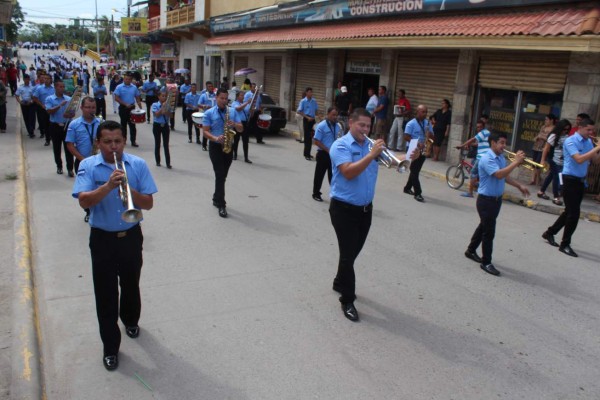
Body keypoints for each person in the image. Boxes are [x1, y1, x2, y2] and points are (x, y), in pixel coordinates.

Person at [72, 120, 157, 371]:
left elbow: (148, 204)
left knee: (131, 284)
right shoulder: (88, 166)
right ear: (98, 143)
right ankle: (110, 347)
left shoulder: (137, 165)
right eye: (107, 142)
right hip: (102, 239)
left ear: (124, 141)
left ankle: (131, 320)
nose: (113, 147)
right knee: (106, 293)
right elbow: (84, 202)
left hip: (131, 236)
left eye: (117, 141)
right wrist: (109, 185)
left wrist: (127, 187)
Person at [329, 108, 384, 322]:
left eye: (368, 126)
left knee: (351, 253)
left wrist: (407, 157)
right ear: (351, 123)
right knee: (348, 254)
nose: (365, 129)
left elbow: (389, 161)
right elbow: (348, 172)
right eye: (361, 125)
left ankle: (338, 280)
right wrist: (371, 155)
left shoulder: (370, 146)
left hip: (365, 210)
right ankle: (347, 299)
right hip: (344, 209)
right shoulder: (340, 145)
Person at [464, 132, 530, 276]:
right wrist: (516, 162)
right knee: (489, 232)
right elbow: (498, 174)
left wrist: (519, 185)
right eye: (501, 142)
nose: (503, 146)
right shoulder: (487, 158)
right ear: (492, 143)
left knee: (484, 227)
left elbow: (505, 176)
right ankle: (486, 262)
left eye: (505, 143)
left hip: (496, 200)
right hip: (486, 201)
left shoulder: (500, 157)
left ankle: (470, 250)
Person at [542, 118, 600, 257]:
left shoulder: (588, 142)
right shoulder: (570, 141)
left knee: (569, 211)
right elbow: (579, 159)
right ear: (580, 127)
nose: (591, 132)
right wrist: (597, 148)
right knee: (574, 214)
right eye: (589, 130)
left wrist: (598, 150)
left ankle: (549, 233)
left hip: (580, 181)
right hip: (569, 180)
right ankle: (565, 244)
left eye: (592, 130)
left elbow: (595, 161)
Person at [202, 88, 243, 218]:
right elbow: (205, 131)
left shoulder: (232, 112)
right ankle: (222, 204)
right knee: (220, 174)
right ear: (216, 98)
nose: (224, 101)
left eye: (226, 99)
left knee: (223, 176)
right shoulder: (209, 113)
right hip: (215, 147)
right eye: (222, 98)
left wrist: (235, 124)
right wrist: (215, 138)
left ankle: (216, 197)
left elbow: (241, 129)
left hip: (228, 147)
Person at [65, 97, 101, 222]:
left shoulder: (100, 123)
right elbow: (70, 144)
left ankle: (98, 211)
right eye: (88, 107)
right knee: (85, 190)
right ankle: (88, 211)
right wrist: (83, 159)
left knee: (99, 187)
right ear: (82, 108)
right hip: (82, 161)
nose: (91, 110)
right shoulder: (74, 124)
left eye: (93, 107)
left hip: (99, 160)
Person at [403, 105, 433, 202]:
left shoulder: (428, 123)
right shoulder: (411, 123)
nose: (425, 114)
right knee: (414, 171)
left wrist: (429, 136)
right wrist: (417, 143)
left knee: (415, 170)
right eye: (423, 112)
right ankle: (418, 193)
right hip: (413, 148)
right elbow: (406, 136)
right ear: (418, 112)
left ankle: (407, 188)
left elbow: (432, 136)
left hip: (423, 148)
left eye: (426, 112)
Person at [538, 119, 571, 205]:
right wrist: (542, 160)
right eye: (564, 129)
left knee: (551, 176)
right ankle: (556, 197)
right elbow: (546, 149)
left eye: (567, 129)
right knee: (557, 177)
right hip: (553, 159)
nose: (565, 131)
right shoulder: (554, 135)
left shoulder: (566, 136)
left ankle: (541, 191)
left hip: (562, 160)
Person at [45, 80, 73, 176]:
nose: (62, 88)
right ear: (55, 87)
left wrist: (70, 114)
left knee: (68, 148)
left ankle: (70, 168)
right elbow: (49, 111)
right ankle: (59, 166)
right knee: (57, 148)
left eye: (63, 87)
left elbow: (72, 112)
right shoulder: (50, 99)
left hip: (66, 125)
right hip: (55, 125)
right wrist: (60, 105)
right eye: (60, 87)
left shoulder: (68, 99)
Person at [312, 107, 340, 202]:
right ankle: (316, 193)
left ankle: (335, 195)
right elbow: (316, 141)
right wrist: (328, 150)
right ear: (328, 114)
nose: (335, 117)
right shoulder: (322, 125)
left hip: (333, 155)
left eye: (336, 115)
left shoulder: (338, 126)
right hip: (323, 154)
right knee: (319, 175)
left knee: (333, 176)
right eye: (333, 115)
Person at [458, 119, 490, 198]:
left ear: (483, 127)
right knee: (480, 172)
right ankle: (478, 186)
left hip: (481, 157)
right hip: (487, 156)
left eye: (480, 127)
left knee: (473, 173)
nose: (478, 129)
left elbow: (472, 139)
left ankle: (470, 193)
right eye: (477, 127)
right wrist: (470, 145)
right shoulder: (487, 133)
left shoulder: (482, 133)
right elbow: (478, 143)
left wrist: (462, 146)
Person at [114, 72, 142, 147]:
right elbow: (116, 98)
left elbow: (137, 97)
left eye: (129, 79)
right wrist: (125, 104)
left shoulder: (134, 87)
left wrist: (140, 107)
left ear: (131, 80)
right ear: (124, 79)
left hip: (132, 108)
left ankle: (133, 141)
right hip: (123, 108)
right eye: (126, 79)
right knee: (123, 125)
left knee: (132, 125)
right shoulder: (119, 87)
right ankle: (123, 140)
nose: (127, 80)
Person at [530, 114, 555, 185]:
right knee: (533, 163)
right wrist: (537, 137)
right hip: (537, 146)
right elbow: (539, 134)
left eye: (547, 119)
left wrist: (543, 137)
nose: (545, 121)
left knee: (538, 162)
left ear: (551, 120)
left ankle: (538, 178)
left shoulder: (553, 129)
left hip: (544, 147)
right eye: (545, 119)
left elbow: (551, 139)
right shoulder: (543, 127)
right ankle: (533, 179)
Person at [151, 90, 173, 168]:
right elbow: (156, 115)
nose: (164, 97)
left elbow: (170, 115)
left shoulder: (168, 105)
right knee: (157, 143)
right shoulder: (155, 104)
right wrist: (162, 108)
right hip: (157, 125)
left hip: (165, 125)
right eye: (162, 96)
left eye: (165, 96)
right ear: (159, 96)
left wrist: (166, 109)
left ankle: (168, 163)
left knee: (166, 144)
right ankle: (158, 161)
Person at [33, 73, 55, 145]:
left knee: (52, 124)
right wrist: (41, 105)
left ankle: (52, 136)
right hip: (44, 109)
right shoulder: (39, 88)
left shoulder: (53, 89)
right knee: (46, 124)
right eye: (45, 78)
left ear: (51, 79)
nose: (46, 80)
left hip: (52, 109)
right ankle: (47, 139)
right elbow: (35, 98)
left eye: (48, 79)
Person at [297, 87, 318, 160]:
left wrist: (318, 117)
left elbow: (316, 110)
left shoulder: (314, 101)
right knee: (307, 138)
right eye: (309, 92)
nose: (311, 93)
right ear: (306, 93)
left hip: (312, 120)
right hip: (306, 120)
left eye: (312, 92)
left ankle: (308, 153)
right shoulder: (303, 101)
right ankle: (306, 154)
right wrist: (307, 117)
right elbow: (299, 111)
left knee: (311, 137)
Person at [232, 90, 252, 163]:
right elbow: (238, 109)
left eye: (243, 95)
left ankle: (246, 157)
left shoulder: (244, 104)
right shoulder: (234, 103)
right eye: (241, 95)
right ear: (237, 96)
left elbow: (249, 113)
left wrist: (252, 109)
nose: (243, 97)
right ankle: (235, 155)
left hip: (245, 123)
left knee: (245, 141)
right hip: (238, 123)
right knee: (236, 140)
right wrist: (247, 102)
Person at [197, 81, 216, 150]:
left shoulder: (216, 95)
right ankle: (204, 145)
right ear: (206, 87)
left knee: (214, 130)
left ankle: (213, 144)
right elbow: (199, 104)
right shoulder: (204, 95)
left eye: (211, 86)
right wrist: (204, 106)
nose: (211, 88)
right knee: (206, 130)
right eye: (209, 86)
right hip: (207, 115)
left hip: (215, 114)